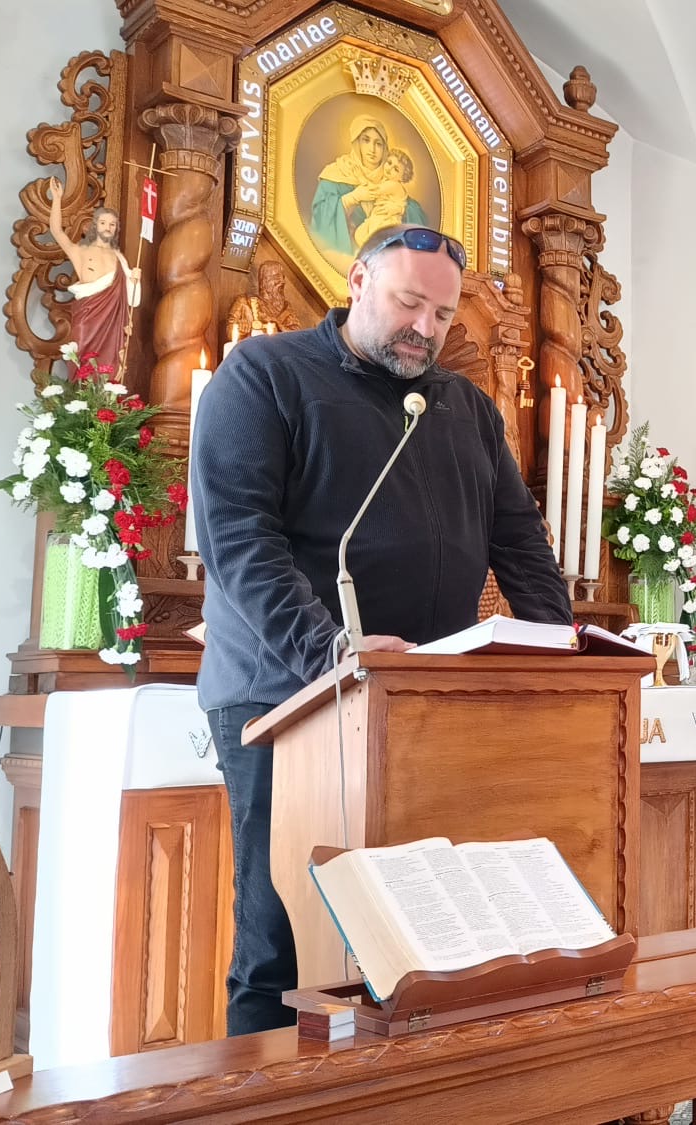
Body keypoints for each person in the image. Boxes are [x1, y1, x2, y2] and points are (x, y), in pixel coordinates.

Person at [192, 223, 570, 1035]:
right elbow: (240, 542)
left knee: (425, 942)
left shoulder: (466, 408)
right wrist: (332, 651)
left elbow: (521, 544)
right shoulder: (263, 376)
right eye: (408, 303)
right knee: (286, 941)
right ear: (357, 281)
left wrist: (562, 649)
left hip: (422, 705)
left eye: (443, 315)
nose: (425, 328)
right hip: (285, 697)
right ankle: (270, 1094)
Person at [45, 177, 141, 368]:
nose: (108, 228)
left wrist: (135, 279)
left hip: (111, 324)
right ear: (95, 225)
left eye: (112, 224)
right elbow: (57, 231)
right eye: (104, 223)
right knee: (82, 365)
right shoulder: (80, 251)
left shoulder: (119, 258)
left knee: (108, 368)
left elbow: (132, 300)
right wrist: (57, 199)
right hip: (87, 317)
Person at [308, 116, 429, 256]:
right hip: (344, 254)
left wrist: (401, 209)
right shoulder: (338, 172)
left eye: (378, 144)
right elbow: (320, 216)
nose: (372, 149)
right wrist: (352, 198)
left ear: (385, 148)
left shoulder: (390, 179)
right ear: (357, 142)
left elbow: (417, 216)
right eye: (366, 140)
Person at [353, 150, 416, 247]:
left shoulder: (394, 185)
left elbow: (374, 190)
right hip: (378, 216)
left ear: (402, 178)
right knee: (360, 235)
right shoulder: (387, 181)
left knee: (372, 239)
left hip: (386, 220)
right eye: (389, 163)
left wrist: (360, 177)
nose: (389, 168)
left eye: (396, 169)